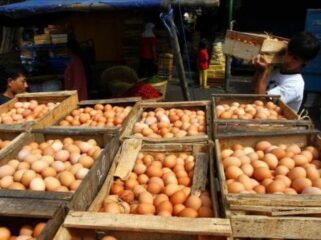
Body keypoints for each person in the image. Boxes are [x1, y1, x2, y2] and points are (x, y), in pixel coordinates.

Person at [251, 32, 320, 112]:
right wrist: (259, 70)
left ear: (305, 62)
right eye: (289, 54)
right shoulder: (275, 69)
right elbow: (253, 90)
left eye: (295, 58)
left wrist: (263, 72)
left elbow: (262, 104)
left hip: (276, 122)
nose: (289, 60)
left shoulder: (295, 84)